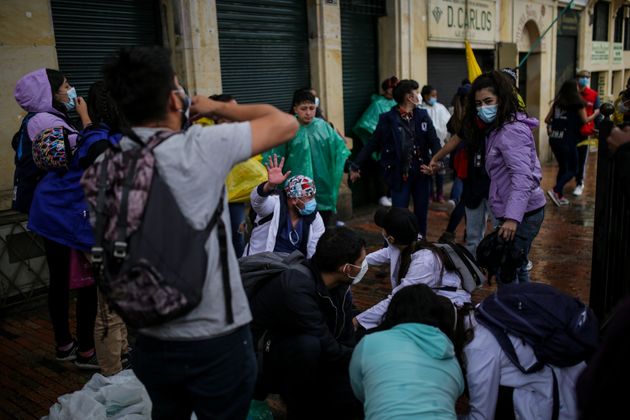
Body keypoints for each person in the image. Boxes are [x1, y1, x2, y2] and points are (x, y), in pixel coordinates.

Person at [103, 46, 298, 420]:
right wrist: (213, 106)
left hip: (150, 337)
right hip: (215, 337)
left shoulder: (108, 162)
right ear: (176, 98)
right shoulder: (200, 147)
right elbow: (284, 122)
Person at [15, 68, 100, 367]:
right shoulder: (45, 121)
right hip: (62, 212)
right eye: (65, 86)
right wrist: (88, 123)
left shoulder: (43, 118)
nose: (71, 90)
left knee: (62, 280)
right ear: (49, 92)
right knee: (82, 281)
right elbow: (75, 157)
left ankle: (66, 345)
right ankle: (84, 350)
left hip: (54, 210)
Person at [249, 227, 366, 420]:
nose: (364, 266)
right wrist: (364, 357)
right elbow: (326, 344)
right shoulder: (295, 286)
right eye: (361, 262)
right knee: (309, 346)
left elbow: (345, 336)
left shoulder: (340, 286)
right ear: (345, 268)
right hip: (264, 354)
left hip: (300, 341)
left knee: (363, 339)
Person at [463, 71, 545, 284]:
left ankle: (511, 312)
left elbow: (522, 177)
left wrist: (512, 218)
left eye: (488, 101)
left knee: (506, 269)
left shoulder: (510, 131)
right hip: (513, 209)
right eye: (478, 103)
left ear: (502, 98)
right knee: (516, 265)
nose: (483, 108)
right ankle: (521, 307)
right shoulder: (497, 128)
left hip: (523, 212)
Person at [349, 284, 465, 420]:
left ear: (393, 311)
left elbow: (359, 389)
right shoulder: (451, 357)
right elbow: (454, 394)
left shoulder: (371, 342)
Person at [349, 79, 441, 238]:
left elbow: (434, 141)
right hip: (399, 175)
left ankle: (420, 245)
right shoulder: (388, 118)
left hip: (422, 173)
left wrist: (436, 162)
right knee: (398, 215)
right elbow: (372, 144)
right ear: (408, 96)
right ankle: (393, 247)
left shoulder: (422, 115)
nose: (418, 95)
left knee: (421, 214)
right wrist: (356, 165)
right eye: (415, 91)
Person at [354, 207, 471, 330]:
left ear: (391, 238)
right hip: (433, 304)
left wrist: (357, 321)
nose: (382, 230)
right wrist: (361, 261)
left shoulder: (423, 262)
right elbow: (388, 253)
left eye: (384, 228)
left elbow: (398, 298)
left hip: (449, 314)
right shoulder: (411, 240)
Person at [463, 308, 585, 419]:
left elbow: (482, 416)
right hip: (570, 384)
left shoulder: (477, 348)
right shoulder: (485, 313)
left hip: (549, 403)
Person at [265, 89, 350, 228]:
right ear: (295, 109)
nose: (309, 112)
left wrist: (350, 166)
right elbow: (275, 158)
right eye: (304, 108)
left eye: (312, 108)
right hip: (295, 190)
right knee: (299, 229)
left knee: (322, 229)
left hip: (323, 188)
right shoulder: (287, 128)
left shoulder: (323, 126)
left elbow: (339, 151)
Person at [245, 154, 325, 258]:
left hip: (294, 269)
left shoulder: (315, 218)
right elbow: (256, 201)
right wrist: (269, 185)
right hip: (261, 265)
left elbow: (314, 250)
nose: (313, 202)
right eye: (309, 197)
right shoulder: (274, 205)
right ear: (294, 199)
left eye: (313, 196)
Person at [544, 80, 598, 206]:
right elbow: (585, 120)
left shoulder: (557, 103)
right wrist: (596, 114)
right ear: (575, 89)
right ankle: (555, 190)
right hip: (568, 139)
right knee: (574, 169)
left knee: (563, 167)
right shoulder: (578, 104)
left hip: (555, 138)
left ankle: (559, 195)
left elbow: (547, 119)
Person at [353, 76, 399, 207]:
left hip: (394, 145)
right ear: (387, 89)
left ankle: (390, 195)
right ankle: (382, 195)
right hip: (382, 146)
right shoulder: (377, 104)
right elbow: (365, 123)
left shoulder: (397, 103)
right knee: (381, 172)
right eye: (392, 88)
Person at [419, 85, 452, 203]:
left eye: (436, 95)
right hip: (425, 147)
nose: (435, 98)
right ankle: (429, 195)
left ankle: (440, 194)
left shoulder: (441, 107)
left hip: (440, 146)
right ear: (425, 96)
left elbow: (448, 124)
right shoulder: (421, 109)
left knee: (440, 171)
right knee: (428, 172)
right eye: (432, 95)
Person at [575, 69, 601, 196]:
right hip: (571, 131)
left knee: (582, 159)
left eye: (587, 77)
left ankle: (579, 183)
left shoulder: (593, 95)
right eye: (582, 77)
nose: (585, 79)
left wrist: (598, 128)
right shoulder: (572, 93)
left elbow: (598, 112)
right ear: (577, 78)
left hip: (585, 132)